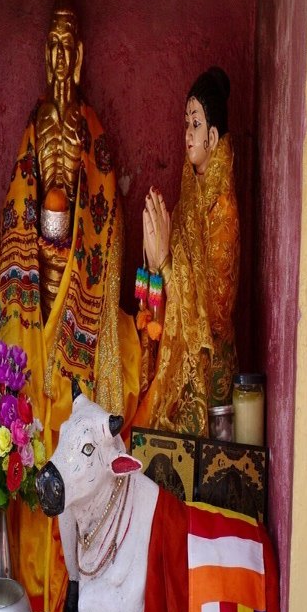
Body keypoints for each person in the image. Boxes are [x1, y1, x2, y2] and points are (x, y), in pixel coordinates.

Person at [0, 0, 140, 612]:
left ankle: (76, 596)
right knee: (27, 437)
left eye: (65, 51)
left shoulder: (91, 134)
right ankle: (31, 592)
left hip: (74, 295)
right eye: (49, 50)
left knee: (71, 441)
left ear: (78, 60)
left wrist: (75, 266)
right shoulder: (34, 126)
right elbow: (19, 204)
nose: (57, 63)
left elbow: (105, 218)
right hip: (36, 293)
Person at [134, 67, 240, 436]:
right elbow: (166, 292)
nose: (187, 134)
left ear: (212, 136)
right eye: (185, 123)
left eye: (195, 124)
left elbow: (213, 311)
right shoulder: (186, 207)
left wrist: (165, 262)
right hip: (180, 357)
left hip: (210, 376)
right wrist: (151, 262)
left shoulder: (222, 209)